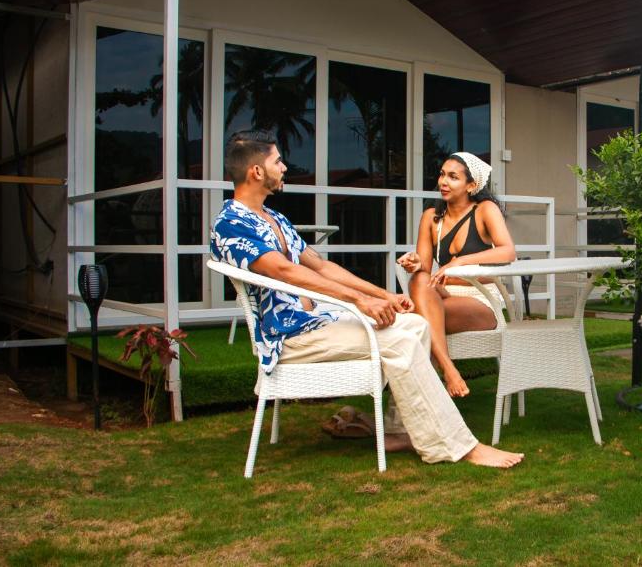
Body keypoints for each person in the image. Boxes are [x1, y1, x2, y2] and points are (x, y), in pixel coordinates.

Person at [210, 130, 523, 469]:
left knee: (415, 323)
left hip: (320, 322)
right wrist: (358, 303)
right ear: (256, 172)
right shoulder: (232, 224)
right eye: (277, 161)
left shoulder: (275, 220)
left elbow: (322, 266)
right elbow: (286, 272)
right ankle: (460, 446)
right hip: (291, 335)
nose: (285, 167)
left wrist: (384, 295)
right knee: (400, 342)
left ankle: (405, 430)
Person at [397, 152, 515, 398]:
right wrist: (414, 262)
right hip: (442, 294)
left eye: (453, 177)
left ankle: (431, 384)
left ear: (471, 185)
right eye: (442, 175)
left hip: (482, 299)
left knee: (411, 320)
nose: (443, 182)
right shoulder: (431, 217)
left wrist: (460, 261)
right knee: (418, 279)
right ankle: (448, 368)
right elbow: (424, 268)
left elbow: (508, 252)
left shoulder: (485, 210)